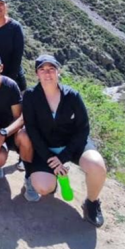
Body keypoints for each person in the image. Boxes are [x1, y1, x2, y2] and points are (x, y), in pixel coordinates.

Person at [21, 54, 106, 227]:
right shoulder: (30, 96)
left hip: (72, 145)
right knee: (44, 188)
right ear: (37, 73)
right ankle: (54, 177)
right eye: (42, 69)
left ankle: (91, 202)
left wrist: (63, 157)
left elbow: (83, 129)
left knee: (97, 166)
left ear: (58, 71)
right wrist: (50, 159)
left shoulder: (72, 96)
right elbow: (32, 130)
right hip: (45, 148)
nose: (47, 73)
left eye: (51, 69)